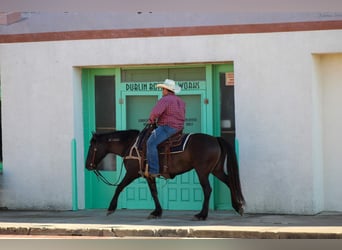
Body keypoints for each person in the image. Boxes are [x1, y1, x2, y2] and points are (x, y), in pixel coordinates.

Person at [146, 79, 186, 178]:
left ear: (167, 90)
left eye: (163, 89)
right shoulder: (180, 101)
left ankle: (154, 170)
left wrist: (151, 120)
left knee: (150, 143)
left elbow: (155, 112)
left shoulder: (165, 99)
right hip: (179, 128)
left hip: (167, 127)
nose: (162, 91)